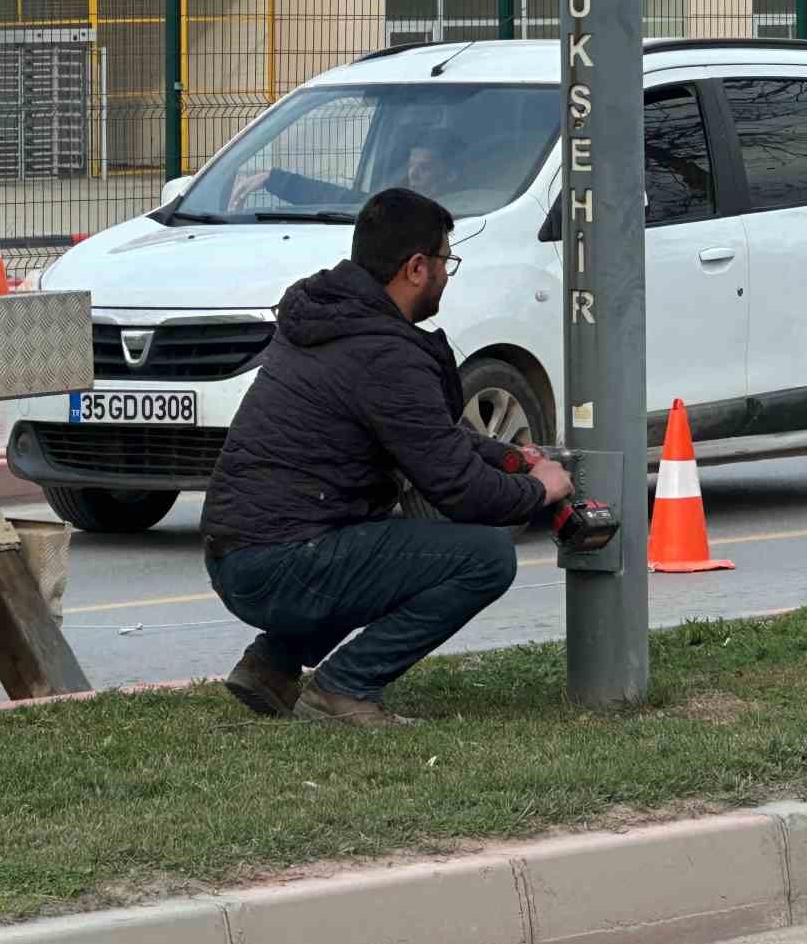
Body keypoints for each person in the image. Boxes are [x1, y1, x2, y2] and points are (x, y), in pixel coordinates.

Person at [200, 187, 573, 728]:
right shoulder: (383, 352)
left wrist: (508, 458)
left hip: (241, 557)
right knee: (485, 557)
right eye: (447, 259)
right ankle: (343, 687)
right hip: (281, 563)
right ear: (417, 268)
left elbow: (426, 435)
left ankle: (272, 666)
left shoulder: (331, 320)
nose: (448, 273)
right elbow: (460, 490)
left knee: (381, 545)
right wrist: (542, 490)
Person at [231, 130, 464, 210]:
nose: (414, 175)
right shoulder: (399, 207)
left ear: (451, 174)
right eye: (412, 165)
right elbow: (345, 200)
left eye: (425, 168)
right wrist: (273, 179)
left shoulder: (466, 212)